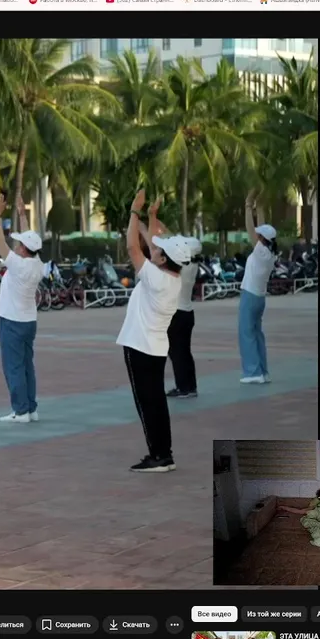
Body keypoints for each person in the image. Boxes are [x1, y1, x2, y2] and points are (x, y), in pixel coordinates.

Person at [116, 190, 194, 473]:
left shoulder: (156, 278)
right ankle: (164, 453)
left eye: (158, 252)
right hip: (156, 348)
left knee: (146, 403)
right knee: (157, 401)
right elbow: (151, 245)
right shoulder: (172, 277)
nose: (153, 250)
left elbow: (133, 248)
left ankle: (158, 456)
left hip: (140, 347)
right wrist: (151, 216)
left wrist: (134, 212)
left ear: (162, 260)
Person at [0, 194, 45, 423]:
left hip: (11, 321)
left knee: (13, 367)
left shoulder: (18, 264)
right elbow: (28, 238)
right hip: (28, 321)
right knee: (26, 366)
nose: (17, 246)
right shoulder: (38, 264)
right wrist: (22, 214)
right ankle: (30, 408)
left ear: (23, 250)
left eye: (20, 244)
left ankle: (20, 411)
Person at [239, 192, 278, 384]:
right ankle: (263, 371)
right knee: (257, 334)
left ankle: (253, 372)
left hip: (250, 296)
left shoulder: (260, 250)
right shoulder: (269, 252)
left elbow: (251, 230)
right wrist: (260, 206)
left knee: (246, 334)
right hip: (260, 298)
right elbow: (260, 229)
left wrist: (248, 207)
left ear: (262, 238)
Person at [167, 237, 204, 400]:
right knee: (185, 352)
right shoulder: (192, 265)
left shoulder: (179, 267)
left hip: (177, 314)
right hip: (187, 313)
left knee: (177, 353)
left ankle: (183, 387)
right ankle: (190, 386)